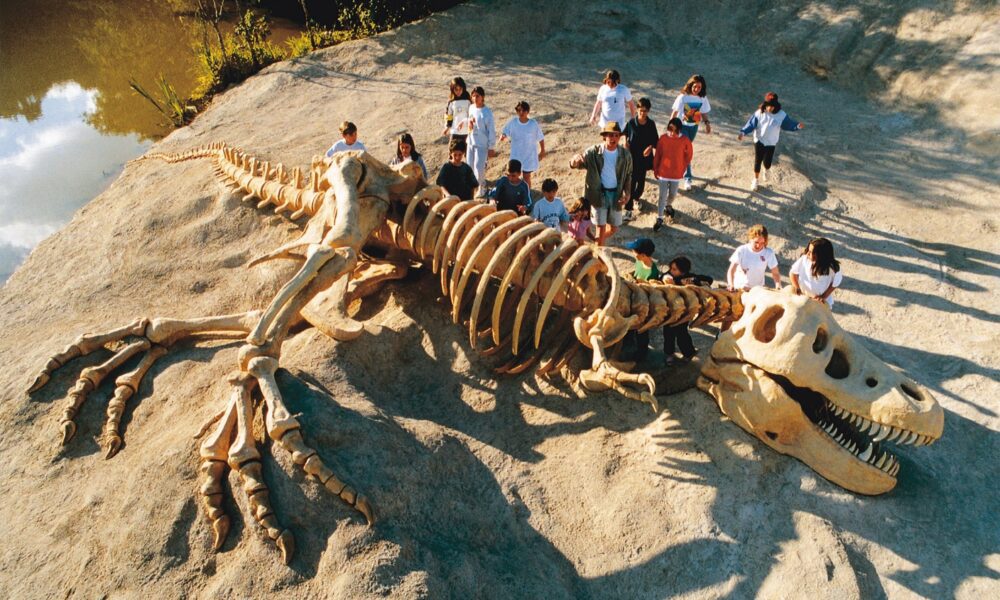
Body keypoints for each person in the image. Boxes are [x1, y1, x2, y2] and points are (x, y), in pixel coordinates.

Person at [569, 121, 633, 246]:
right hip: (598, 195)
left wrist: (628, 193)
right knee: (601, 227)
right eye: (610, 135)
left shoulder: (626, 155)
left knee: (614, 228)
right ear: (604, 136)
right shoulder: (593, 152)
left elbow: (628, 175)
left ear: (619, 137)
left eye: (616, 135)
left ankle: (597, 242)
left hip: (616, 195)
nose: (613, 138)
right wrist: (574, 161)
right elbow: (577, 163)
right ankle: (598, 254)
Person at [738, 92, 805, 191]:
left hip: (771, 142)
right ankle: (755, 180)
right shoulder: (759, 112)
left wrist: (797, 126)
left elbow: (788, 124)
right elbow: (751, 124)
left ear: (776, 106)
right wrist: (743, 132)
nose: (769, 108)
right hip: (759, 140)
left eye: (772, 106)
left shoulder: (781, 115)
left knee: (767, 162)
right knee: (757, 160)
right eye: (768, 105)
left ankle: (766, 170)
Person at [661, 255, 712, 365]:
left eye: (675, 269)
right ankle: (669, 354)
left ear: (683, 272)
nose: (671, 271)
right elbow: (663, 276)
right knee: (668, 334)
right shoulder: (669, 277)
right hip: (670, 311)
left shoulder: (689, 278)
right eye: (671, 268)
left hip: (684, 312)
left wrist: (692, 282)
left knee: (682, 334)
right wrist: (665, 278)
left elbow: (708, 279)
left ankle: (688, 353)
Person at [622, 237, 662, 362]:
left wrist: (638, 282)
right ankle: (627, 341)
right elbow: (636, 273)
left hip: (644, 304)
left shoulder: (653, 271)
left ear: (643, 255)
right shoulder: (639, 262)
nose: (632, 253)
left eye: (634, 251)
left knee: (642, 328)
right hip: (633, 298)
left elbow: (650, 288)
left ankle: (642, 352)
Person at [670, 74, 712, 190]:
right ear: (690, 85)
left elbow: (703, 112)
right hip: (682, 127)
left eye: (699, 87)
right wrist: (670, 126)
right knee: (686, 150)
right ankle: (687, 178)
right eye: (695, 86)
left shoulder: (702, 98)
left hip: (693, 127)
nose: (697, 89)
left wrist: (707, 123)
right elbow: (675, 112)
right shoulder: (683, 97)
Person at [651, 117, 693, 232]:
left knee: (673, 194)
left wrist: (683, 166)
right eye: (670, 129)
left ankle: (668, 206)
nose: (672, 132)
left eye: (676, 130)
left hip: (676, 173)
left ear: (680, 130)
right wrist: (656, 168)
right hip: (663, 173)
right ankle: (660, 218)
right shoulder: (663, 139)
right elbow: (658, 154)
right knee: (662, 196)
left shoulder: (685, 140)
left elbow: (688, 155)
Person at [622, 97, 658, 222]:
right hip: (632, 158)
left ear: (648, 111)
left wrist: (650, 147)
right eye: (640, 110)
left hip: (644, 160)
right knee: (630, 185)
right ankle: (628, 210)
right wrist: (625, 142)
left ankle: (636, 199)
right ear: (637, 109)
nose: (642, 113)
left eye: (645, 111)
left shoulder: (651, 124)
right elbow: (625, 133)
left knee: (641, 186)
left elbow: (655, 141)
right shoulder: (632, 123)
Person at [500, 101, 546, 188]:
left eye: (524, 110)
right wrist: (503, 135)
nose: (521, 112)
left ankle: (527, 195)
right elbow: (505, 131)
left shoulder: (533, 124)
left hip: (528, 155)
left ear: (527, 112)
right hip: (516, 155)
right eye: (519, 110)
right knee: (513, 176)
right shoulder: (513, 122)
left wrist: (542, 150)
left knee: (526, 177)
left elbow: (540, 137)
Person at [790, 238, 842, 308]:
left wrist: (823, 296)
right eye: (808, 250)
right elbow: (793, 273)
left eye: (811, 252)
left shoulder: (833, 269)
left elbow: (835, 284)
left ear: (821, 255)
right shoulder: (804, 259)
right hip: (802, 297)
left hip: (819, 302)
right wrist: (797, 287)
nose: (808, 253)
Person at [727, 224, 781, 291]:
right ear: (750, 239)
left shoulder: (769, 253)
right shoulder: (742, 250)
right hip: (740, 288)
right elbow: (731, 270)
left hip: (758, 290)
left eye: (762, 243)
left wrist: (778, 285)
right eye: (756, 242)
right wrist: (731, 284)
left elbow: (775, 273)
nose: (758, 245)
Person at [467, 86, 497, 197]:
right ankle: (472, 186)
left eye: (477, 96)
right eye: (473, 96)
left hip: (482, 144)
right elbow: (469, 120)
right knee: (469, 166)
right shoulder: (471, 108)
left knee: (479, 167)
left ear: (482, 97)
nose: (475, 98)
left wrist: (491, 147)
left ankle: (482, 186)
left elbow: (491, 131)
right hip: (470, 142)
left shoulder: (487, 112)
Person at [441, 77, 472, 144]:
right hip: (454, 131)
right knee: (452, 150)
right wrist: (447, 128)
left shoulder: (468, 101)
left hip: (466, 131)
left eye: (460, 89)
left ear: (463, 88)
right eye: (456, 89)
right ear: (452, 89)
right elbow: (449, 116)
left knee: (466, 152)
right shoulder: (451, 102)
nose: (458, 92)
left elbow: (471, 115)